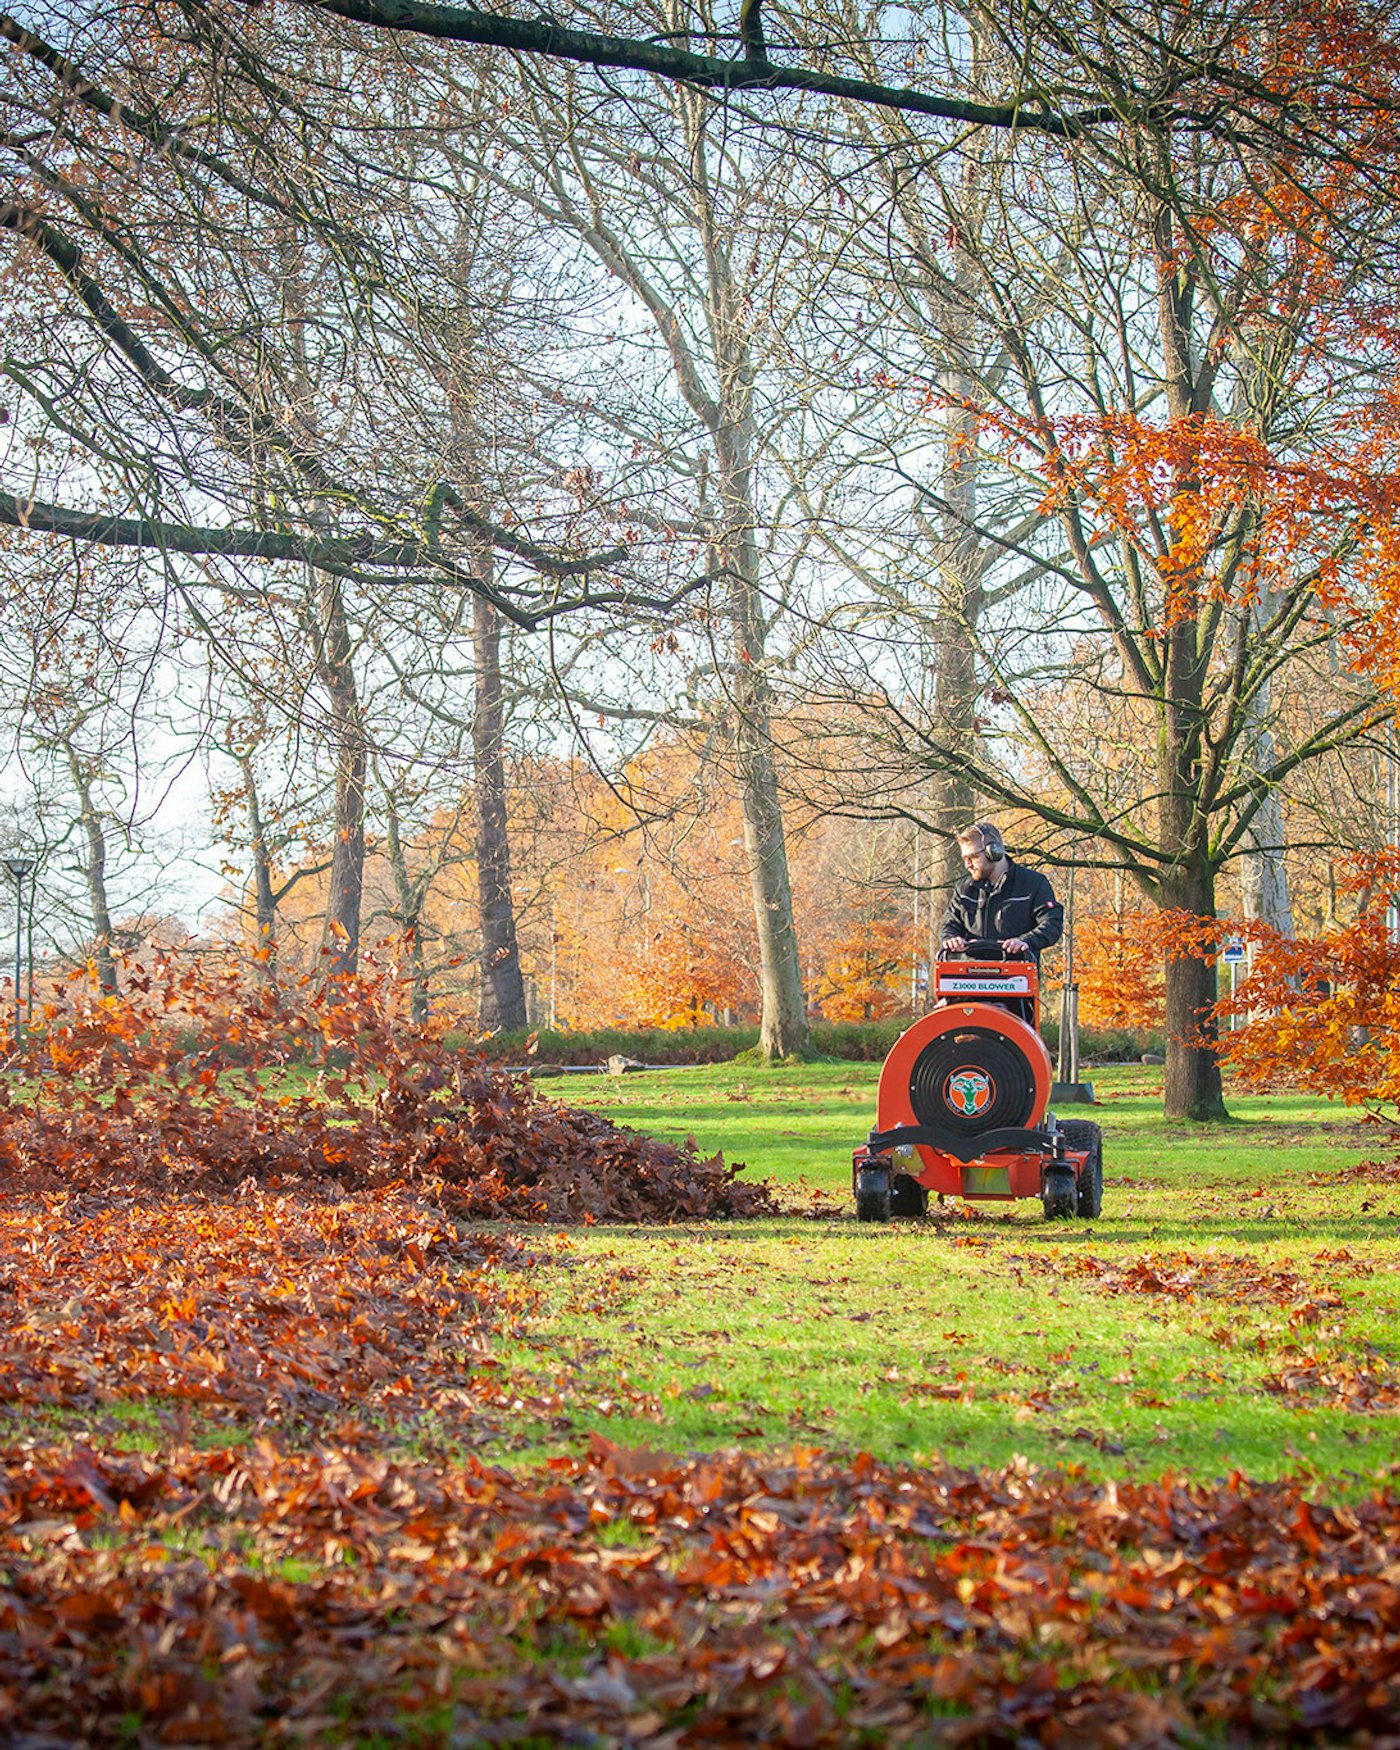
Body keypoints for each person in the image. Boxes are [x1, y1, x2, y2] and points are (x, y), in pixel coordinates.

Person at [940, 822, 1064, 964]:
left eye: (973, 857)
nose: (967, 865)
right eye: (964, 859)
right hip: (970, 977)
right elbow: (949, 923)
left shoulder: (1033, 884)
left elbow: (1052, 923)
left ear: (994, 852)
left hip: (1017, 975)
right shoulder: (964, 889)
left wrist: (1025, 942)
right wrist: (950, 938)